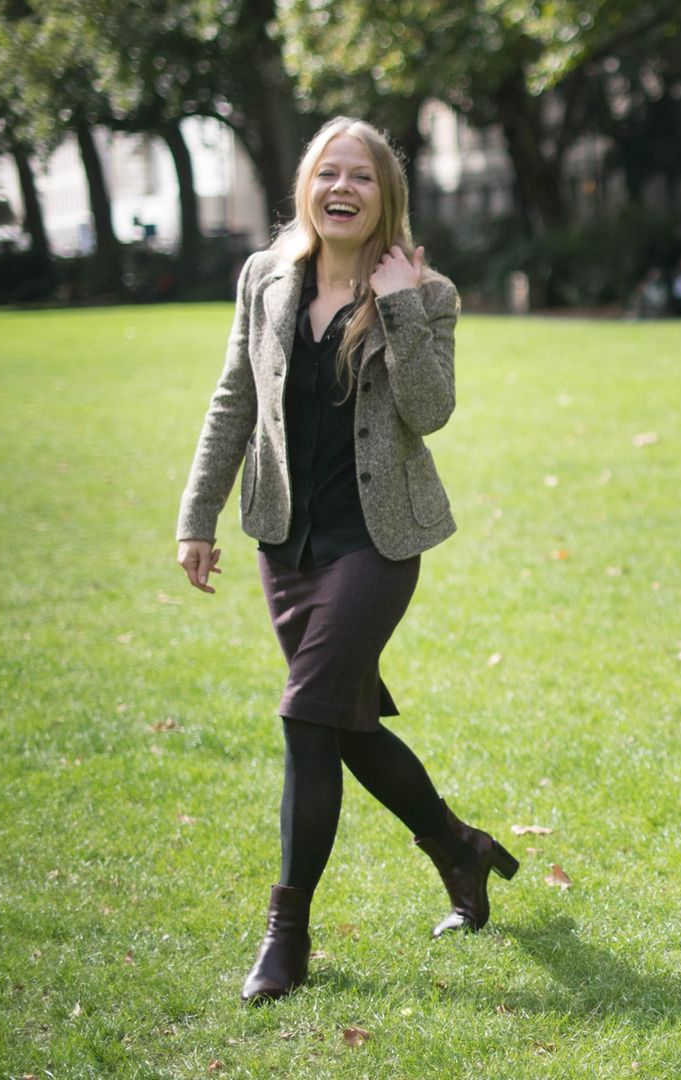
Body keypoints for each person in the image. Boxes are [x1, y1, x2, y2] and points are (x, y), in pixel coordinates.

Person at [175, 117, 518, 1005]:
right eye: (328, 173)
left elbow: (431, 410)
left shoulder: (427, 293)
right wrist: (197, 514)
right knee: (343, 725)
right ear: (306, 186)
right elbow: (233, 399)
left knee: (303, 717)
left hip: (378, 542)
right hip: (286, 541)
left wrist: (400, 304)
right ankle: (460, 847)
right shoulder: (264, 278)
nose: (342, 189)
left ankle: (285, 938)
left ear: (385, 196)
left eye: (360, 177)